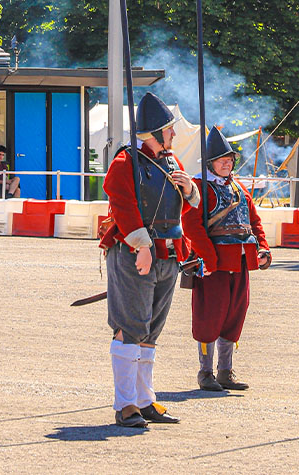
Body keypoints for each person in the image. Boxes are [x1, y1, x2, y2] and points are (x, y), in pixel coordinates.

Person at [99, 92, 200, 427]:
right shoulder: (124, 163)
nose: (173, 134)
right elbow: (123, 206)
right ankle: (126, 404)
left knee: (151, 331)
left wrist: (190, 190)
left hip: (168, 254)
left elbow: (183, 209)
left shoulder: (173, 163)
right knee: (130, 328)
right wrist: (142, 245)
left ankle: (145, 400)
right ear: (155, 132)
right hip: (135, 254)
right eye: (168, 129)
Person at [181, 128, 271, 392]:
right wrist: (209, 259)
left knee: (234, 316)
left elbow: (254, 221)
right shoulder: (198, 187)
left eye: (230, 160)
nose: (227, 164)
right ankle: (205, 372)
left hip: (240, 263)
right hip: (213, 266)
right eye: (222, 160)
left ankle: (224, 371)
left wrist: (263, 249)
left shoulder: (238, 187)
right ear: (210, 163)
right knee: (209, 317)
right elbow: (192, 226)